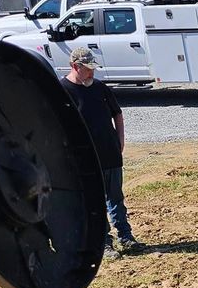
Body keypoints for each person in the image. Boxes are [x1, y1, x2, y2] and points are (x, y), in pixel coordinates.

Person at [60, 46, 141, 257]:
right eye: (87, 69)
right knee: (94, 202)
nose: (92, 73)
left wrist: (120, 140)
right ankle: (104, 243)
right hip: (85, 160)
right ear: (74, 67)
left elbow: (118, 114)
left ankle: (126, 236)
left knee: (116, 198)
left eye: (92, 68)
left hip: (110, 153)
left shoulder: (100, 88)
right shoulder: (62, 91)